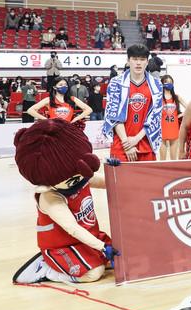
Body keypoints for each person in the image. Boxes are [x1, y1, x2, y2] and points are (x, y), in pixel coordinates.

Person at [11, 120, 119, 285]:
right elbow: (73, 228)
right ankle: (46, 268)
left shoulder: (79, 177)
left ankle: (88, 257)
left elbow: (109, 183)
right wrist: (102, 247)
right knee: (94, 273)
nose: (82, 178)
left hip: (88, 238)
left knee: (121, 259)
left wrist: (117, 170)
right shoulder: (50, 197)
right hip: (63, 246)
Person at [102, 45, 164, 162]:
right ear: (128, 60)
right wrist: (127, 144)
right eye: (135, 59)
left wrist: (136, 139)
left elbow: (155, 116)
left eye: (142, 59)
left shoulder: (157, 85)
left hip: (146, 143)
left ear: (147, 62)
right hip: (122, 144)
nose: (138, 63)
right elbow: (114, 115)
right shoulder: (115, 83)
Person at [27, 78, 92, 124]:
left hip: (68, 129)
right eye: (60, 85)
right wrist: (46, 120)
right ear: (54, 87)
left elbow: (89, 109)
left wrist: (75, 119)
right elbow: (30, 110)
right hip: (53, 129)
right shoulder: (49, 99)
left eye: (65, 85)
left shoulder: (72, 99)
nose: (64, 86)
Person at [159, 75, 182, 161]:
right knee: (162, 159)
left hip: (174, 129)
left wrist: (179, 116)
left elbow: (188, 107)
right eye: (166, 82)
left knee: (174, 159)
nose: (169, 84)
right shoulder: (158, 97)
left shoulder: (176, 97)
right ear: (162, 83)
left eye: (170, 82)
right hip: (162, 130)